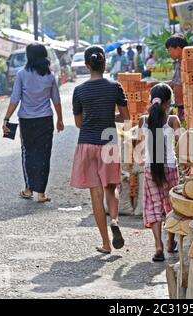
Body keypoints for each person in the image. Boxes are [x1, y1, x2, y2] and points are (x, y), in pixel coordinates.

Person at [71, 45, 130, 254]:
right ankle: (114, 220)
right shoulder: (115, 87)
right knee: (111, 187)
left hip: (87, 143)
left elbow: (79, 123)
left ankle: (106, 244)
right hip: (109, 141)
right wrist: (108, 117)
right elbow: (126, 117)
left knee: (95, 194)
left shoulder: (79, 91)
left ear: (87, 65)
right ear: (105, 63)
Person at [2, 43, 64, 203]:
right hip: (45, 120)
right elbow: (56, 100)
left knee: (28, 153)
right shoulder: (49, 76)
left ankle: (29, 189)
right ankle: (41, 194)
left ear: (29, 56)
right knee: (44, 155)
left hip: (27, 120)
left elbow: (15, 98)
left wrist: (6, 118)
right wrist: (60, 119)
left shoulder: (22, 74)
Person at [138, 83, 181, 262]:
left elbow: (141, 143)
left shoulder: (143, 120)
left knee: (153, 206)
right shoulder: (172, 121)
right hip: (170, 167)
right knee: (171, 206)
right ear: (168, 102)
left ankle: (158, 246)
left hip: (150, 169)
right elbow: (180, 142)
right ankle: (171, 243)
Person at [165, 34, 188, 122]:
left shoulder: (187, 64)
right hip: (178, 106)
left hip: (185, 106)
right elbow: (175, 83)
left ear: (178, 49)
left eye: (170, 50)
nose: (169, 53)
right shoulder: (178, 63)